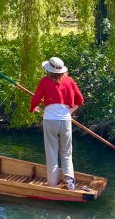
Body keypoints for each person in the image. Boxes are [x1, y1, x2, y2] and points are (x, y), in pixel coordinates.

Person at [29, 57, 84, 189]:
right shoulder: (69, 81)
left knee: (51, 153)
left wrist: (33, 108)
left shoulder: (44, 81)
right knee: (66, 153)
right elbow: (80, 100)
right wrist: (69, 112)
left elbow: (36, 99)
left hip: (50, 120)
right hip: (65, 121)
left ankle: (52, 184)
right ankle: (70, 183)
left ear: (49, 70)